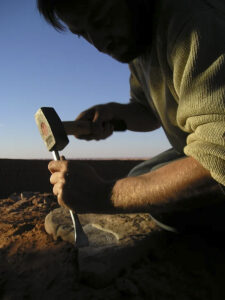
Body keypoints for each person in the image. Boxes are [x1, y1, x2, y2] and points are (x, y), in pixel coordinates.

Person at [37, 0, 225, 232]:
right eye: (82, 33)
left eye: (102, 18)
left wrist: (103, 195)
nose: (99, 43)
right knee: (140, 177)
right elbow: (149, 112)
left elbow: (219, 158)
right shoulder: (138, 45)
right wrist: (113, 114)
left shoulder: (194, 22)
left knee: (162, 204)